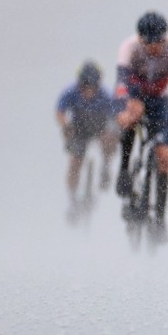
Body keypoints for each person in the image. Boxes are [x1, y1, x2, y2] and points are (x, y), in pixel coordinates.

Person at [115, 11, 168, 230]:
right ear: (140, 39)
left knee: (164, 156)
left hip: (159, 101)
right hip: (134, 96)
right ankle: (124, 170)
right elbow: (120, 83)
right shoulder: (129, 47)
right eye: (149, 44)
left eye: (159, 42)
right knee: (132, 115)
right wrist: (122, 110)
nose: (155, 48)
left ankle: (160, 219)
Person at [56, 60, 118, 217]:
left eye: (92, 87)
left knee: (110, 138)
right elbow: (60, 112)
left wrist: (112, 133)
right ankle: (72, 200)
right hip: (79, 129)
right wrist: (65, 127)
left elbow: (114, 117)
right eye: (85, 86)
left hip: (99, 127)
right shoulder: (71, 92)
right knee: (75, 162)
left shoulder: (105, 95)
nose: (88, 91)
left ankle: (106, 166)